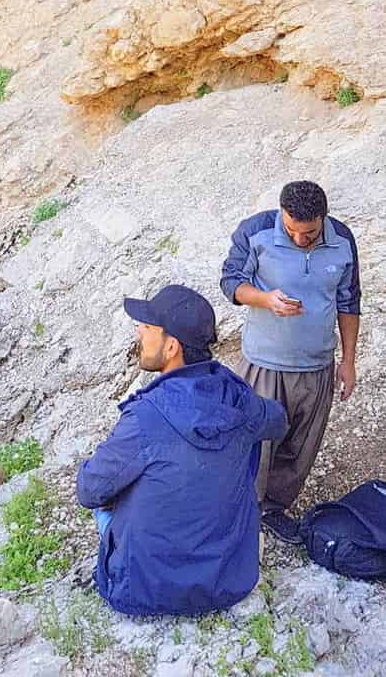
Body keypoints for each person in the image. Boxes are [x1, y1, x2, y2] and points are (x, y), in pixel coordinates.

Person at [76, 283, 287, 617]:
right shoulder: (237, 398)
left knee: (106, 494)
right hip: (228, 579)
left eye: (147, 328)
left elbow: (89, 491)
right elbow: (278, 422)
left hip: (145, 590)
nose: (138, 333)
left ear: (171, 346)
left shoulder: (145, 417)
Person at [219, 180, 361, 544]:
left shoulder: (342, 240)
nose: (300, 239)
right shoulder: (256, 231)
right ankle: (239, 509)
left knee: (301, 446)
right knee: (255, 442)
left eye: (310, 233)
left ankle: (273, 509)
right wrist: (266, 300)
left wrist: (348, 361)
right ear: (282, 215)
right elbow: (230, 282)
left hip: (317, 365)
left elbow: (349, 301)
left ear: (323, 219)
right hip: (264, 363)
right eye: (292, 231)